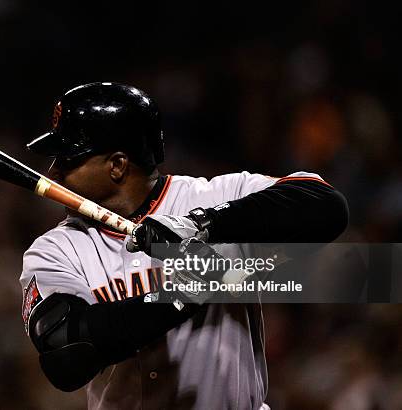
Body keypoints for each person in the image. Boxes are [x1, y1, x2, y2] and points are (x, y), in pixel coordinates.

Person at [19, 82, 348, 409]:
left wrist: (204, 225)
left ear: (117, 165)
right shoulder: (56, 249)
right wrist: (180, 296)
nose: (55, 172)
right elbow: (67, 352)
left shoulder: (212, 197)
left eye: (68, 159)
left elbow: (325, 206)